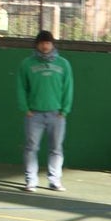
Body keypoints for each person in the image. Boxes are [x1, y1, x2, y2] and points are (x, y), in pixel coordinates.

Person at [18, 30, 73, 192]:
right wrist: (25, 108)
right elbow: (21, 87)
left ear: (53, 44)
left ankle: (55, 180)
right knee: (31, 148)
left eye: (48, 43)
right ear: (37, 45)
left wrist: (65, 110)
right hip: (33, 114)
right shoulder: (27, 64)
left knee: (56, 148)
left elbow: (68, 88)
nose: (45, 46)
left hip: (57, 114)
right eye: (42, 43)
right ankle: (31, 181)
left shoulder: (63, 64)